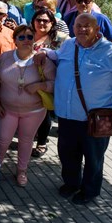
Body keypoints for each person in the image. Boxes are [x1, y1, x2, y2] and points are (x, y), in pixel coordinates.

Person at [37, 14, 112, 205]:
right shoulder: (69, 45)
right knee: (67, 154)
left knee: (93, 158)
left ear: (97, 29)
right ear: (73, 27)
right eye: (78, 26)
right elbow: (57, 56)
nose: (82, 30)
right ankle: (71, 184)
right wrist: (45, 53)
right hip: (67, 115)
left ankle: (90, 191)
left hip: (96, 118)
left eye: (87, 26)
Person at [0, 25, 56, 187]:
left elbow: (54, 83)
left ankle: (22, 171)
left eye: (29, 37)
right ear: (14, 41)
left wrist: (39, 87)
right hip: (8, 109)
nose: (26, 40)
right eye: (21, 37)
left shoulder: (42, 60)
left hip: (33, 111)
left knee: (26, 141)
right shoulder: (5, 58)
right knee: (3, 140)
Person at [30, 8, 69, 158]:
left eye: (45, 20)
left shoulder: (60, 38)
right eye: (38, 20)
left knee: (45, 111)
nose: (41, 23)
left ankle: (42, 142)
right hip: (29, 79)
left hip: (52, 80)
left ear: (52, 23)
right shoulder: (28, 35)